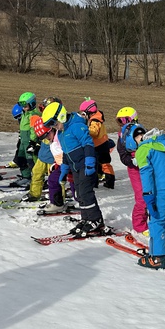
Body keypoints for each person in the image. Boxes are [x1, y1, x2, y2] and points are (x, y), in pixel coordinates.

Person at [126, 125, 165, 268]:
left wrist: (148, 195)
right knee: (163, 214)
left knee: (156, 220)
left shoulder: (143, 149)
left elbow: (146, 174)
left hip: (164, 188)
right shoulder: (161, 144)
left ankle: (158, 257)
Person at [41, 101, 106, 236]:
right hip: (75, 167)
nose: (53, 127)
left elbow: (88, 143)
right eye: (51, 125)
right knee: (79, 194)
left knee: (86, 193)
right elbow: (66, 152)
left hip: (85, 165)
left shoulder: (76, 126)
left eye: (54, 123)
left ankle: (96, 219)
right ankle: (86, 218)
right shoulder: (61, 132)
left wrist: (90, 162)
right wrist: (64, 169)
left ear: (61, 116)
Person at [116, 107, 147, 238]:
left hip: (147, 167)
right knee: (141, 198)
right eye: (120, 121)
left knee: (152, 195)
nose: (122, 124)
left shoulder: (141, 131)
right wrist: (132, 161)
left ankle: (152, 221)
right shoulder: (122, 137)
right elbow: (123, 156)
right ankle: (139, 225)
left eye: (124, 120)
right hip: (135, 170)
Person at [79, 98, 115, 189]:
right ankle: (109, 181)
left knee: (96, 163)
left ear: (89, 112)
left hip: (98, 145)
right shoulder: (98, 117)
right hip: (103, 143)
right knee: (104, 163)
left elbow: (94, 132)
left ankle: (96, 182)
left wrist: (85, 129)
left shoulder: (95, 120)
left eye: (84, 113)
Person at [14, 92, 41, 187]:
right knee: (20, 158)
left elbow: (34, 129)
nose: (23, 108)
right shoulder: (25, 113)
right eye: (22, 105)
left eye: (25, 105)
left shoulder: (34, 115)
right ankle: (26, 176)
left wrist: (33, 141)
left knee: (31, 161)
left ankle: (37, 180)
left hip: (29, 141)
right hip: (23, 140)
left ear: (32, 104)